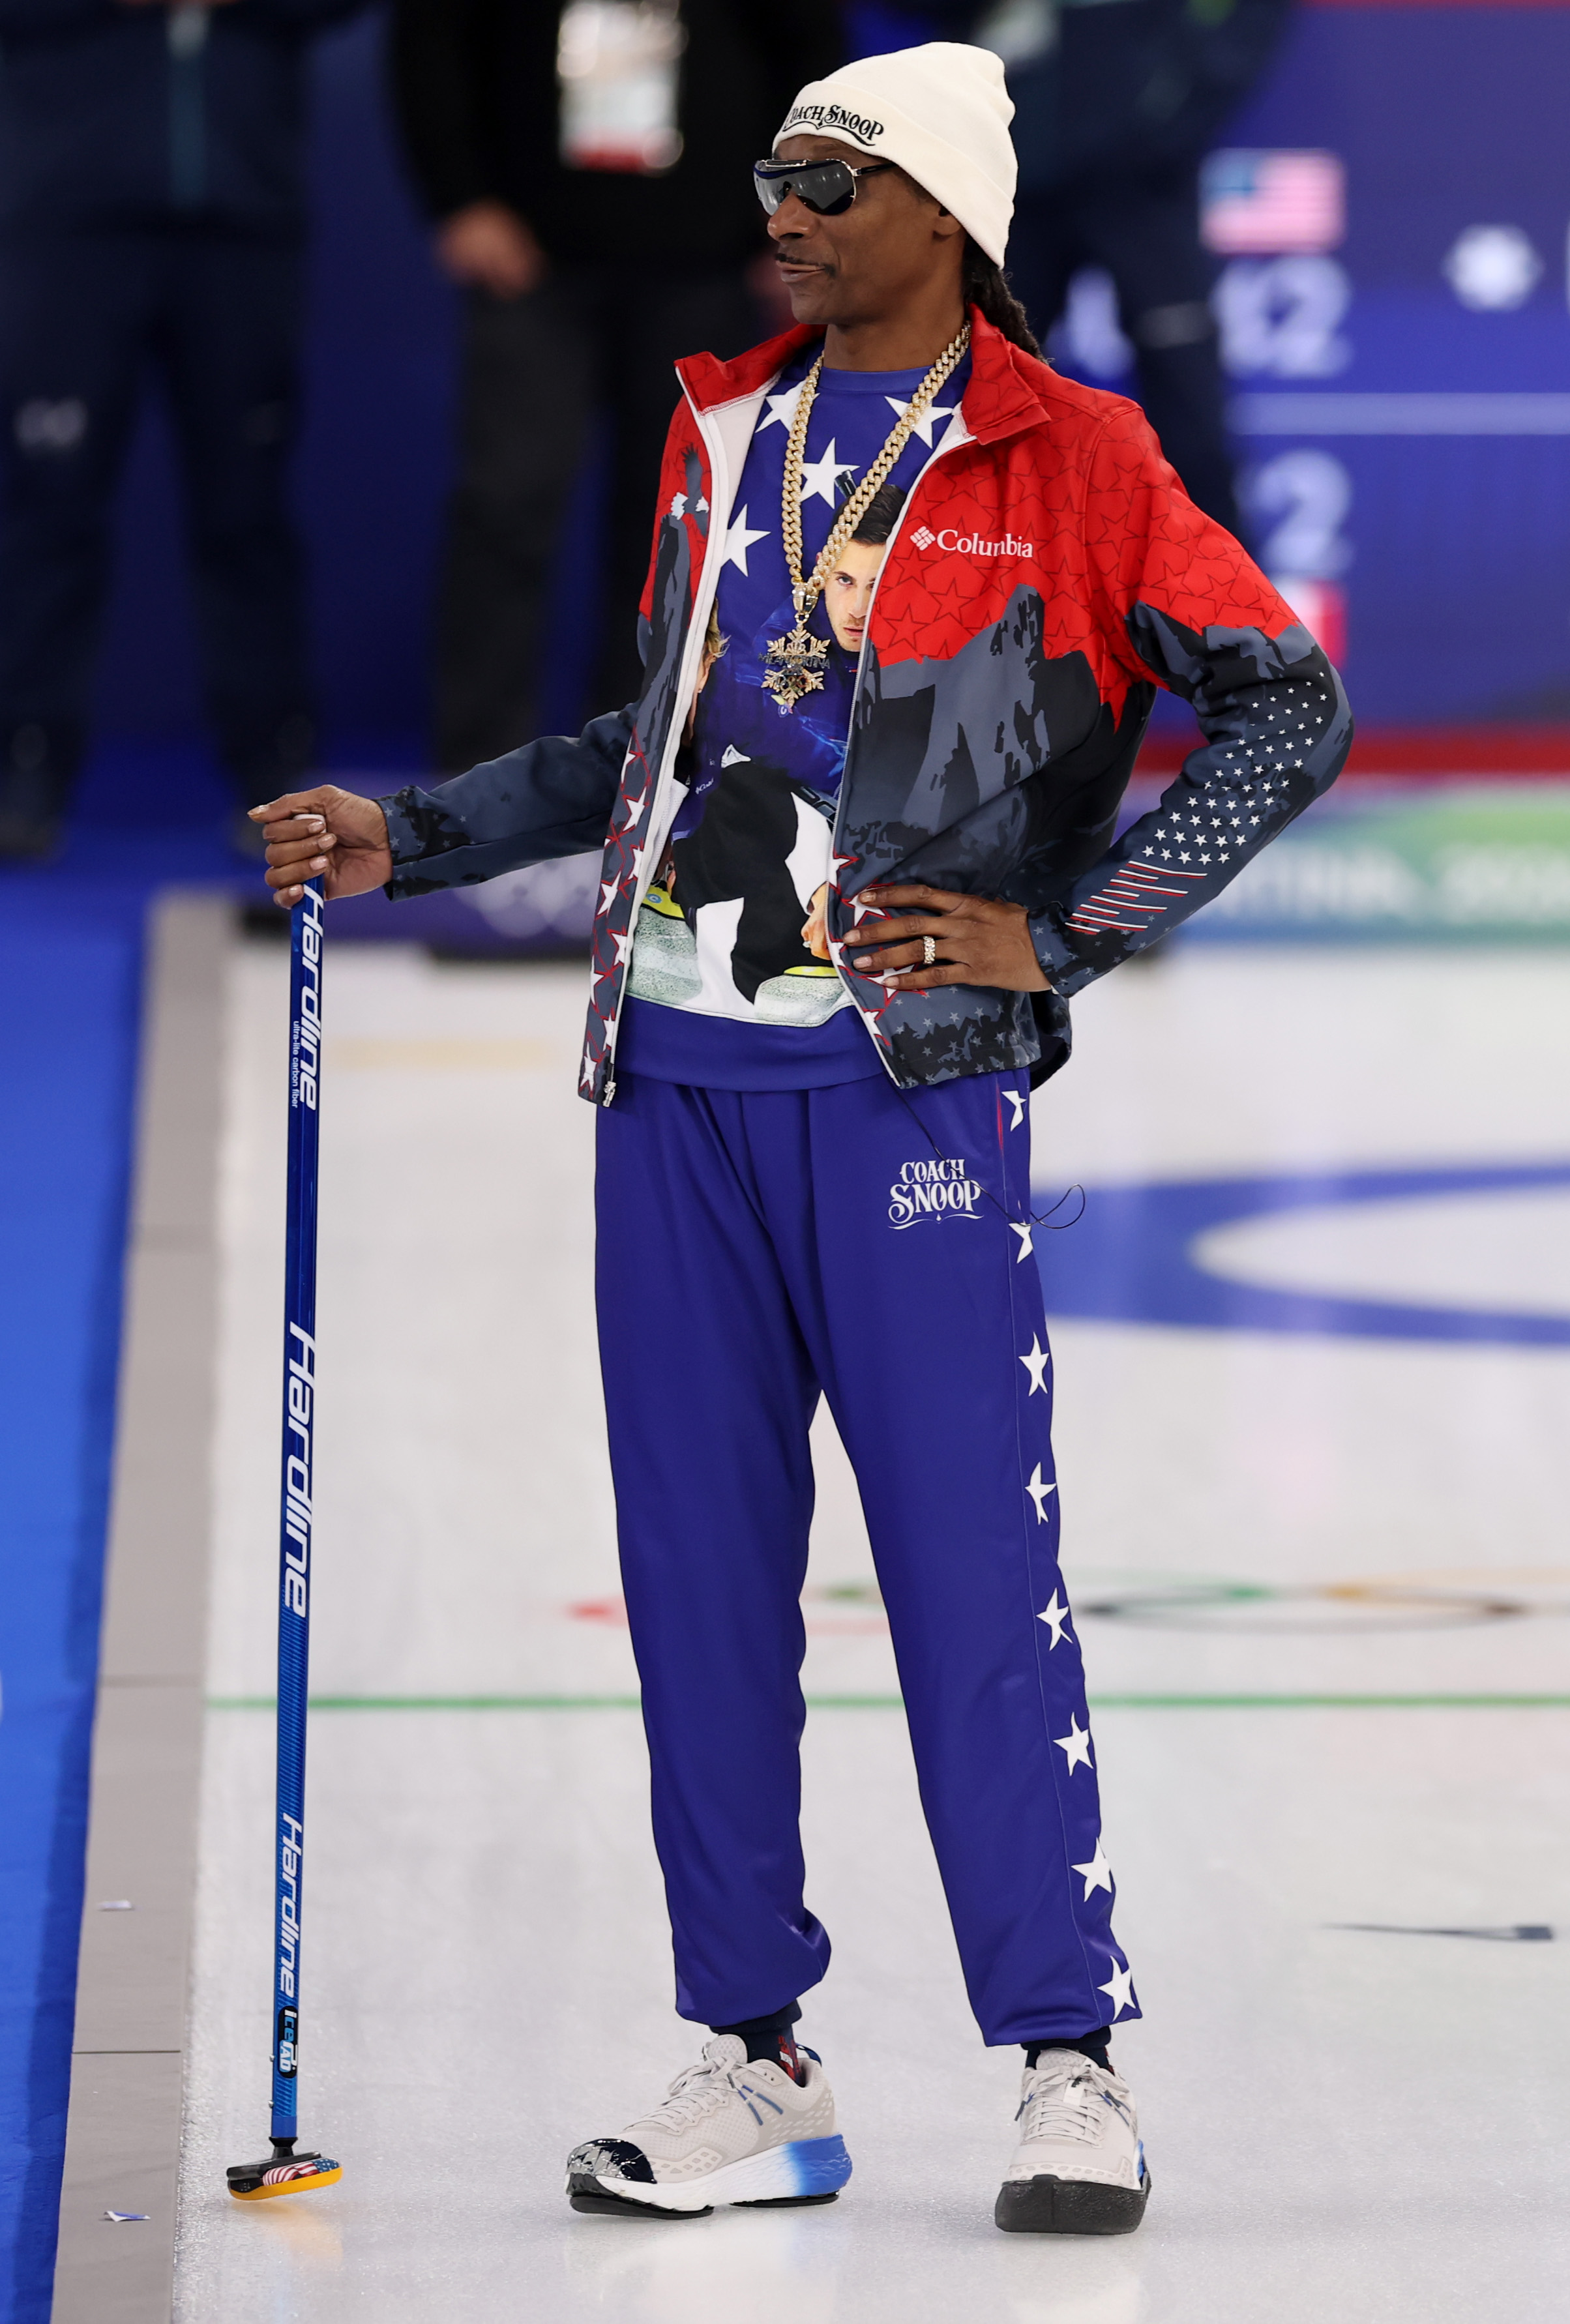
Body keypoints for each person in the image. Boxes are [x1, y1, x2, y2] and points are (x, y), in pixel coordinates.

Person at [253, 38, 1351, 2234]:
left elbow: (1279, 703)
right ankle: (752, 2059)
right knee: (697, 1593)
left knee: (964, 1582)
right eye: (774, 174)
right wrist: (420, 833)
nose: (780, 210)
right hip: (665, 1094)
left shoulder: (1071, 451)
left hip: (898, 1093)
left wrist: (1072, 932)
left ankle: (1064, 2057)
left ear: (940, 214)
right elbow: (634, 733)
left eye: (823, 181)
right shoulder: (721, 424)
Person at [388, 0, 842, 772]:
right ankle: (479, 778)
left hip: (702, 262)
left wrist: (798, 218)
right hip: (532, 261)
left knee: (680, 526)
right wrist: (459, 198)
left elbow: (812, 65)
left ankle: (648, 766)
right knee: (506, 507)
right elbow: (431, 40)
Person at [0, 0, 369, 860]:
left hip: (242, 220)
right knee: (47, 506)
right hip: (74, 218)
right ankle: (24, 758)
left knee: (247, 510)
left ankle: (277, 771)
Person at [1001, 0, 1294, 535]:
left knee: (1189, 416)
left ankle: (1220, 607)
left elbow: (1246, 24)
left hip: (1145, 187)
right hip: (1017, 178)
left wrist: (1165, 111)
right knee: (982, 399)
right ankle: (949, 594)